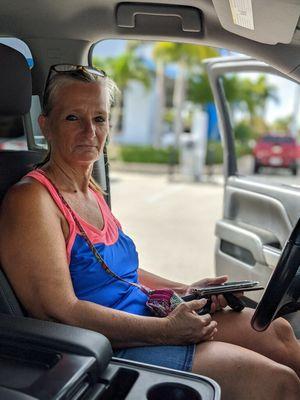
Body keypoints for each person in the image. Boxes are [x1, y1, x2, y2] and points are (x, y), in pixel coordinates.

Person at [0, 64, 299, 400]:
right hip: (109, 345)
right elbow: (59, 311)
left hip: (147, 316)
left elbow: (118, 272)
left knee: (280, 332)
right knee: (279, 382)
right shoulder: (31, 199)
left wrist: (185, 289)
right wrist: (165, 331)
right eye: (73, 118)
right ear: (46, 125)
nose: (89, 131)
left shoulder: (90, 190)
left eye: (99, 119)